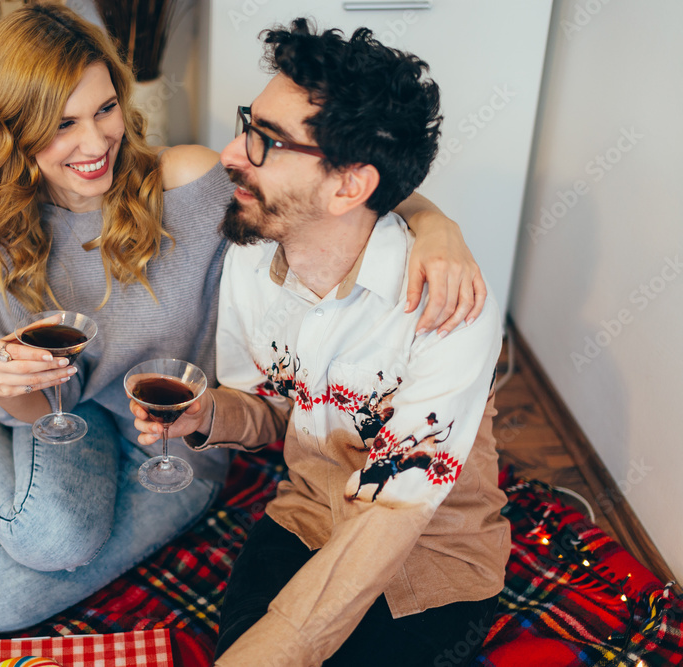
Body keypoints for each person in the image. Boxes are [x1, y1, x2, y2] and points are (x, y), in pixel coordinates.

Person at [0, 1, 489, 634]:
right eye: (62, 124)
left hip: (183, 445)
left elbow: (337, 180)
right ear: (15, 129)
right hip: (77, 418)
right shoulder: (14, 228)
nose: (95, 142)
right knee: (49, 541)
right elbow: (44, 408)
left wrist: (436, 224)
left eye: (105, 108)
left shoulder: (190, 184)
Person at [131, 21, 510, 666]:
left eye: (265, 142)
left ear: (348, 186)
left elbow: (393, 515)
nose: (229, 153)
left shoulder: (450, 309)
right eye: (247, 125)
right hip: (305, 518)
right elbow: (272, 411)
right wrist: (209, 415)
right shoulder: (253, 258)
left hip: (431, 560)